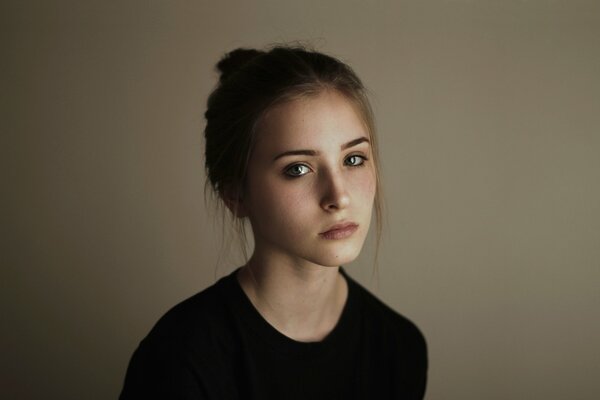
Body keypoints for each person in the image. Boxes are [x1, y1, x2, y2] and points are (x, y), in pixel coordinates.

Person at [119, 45, 428, 399]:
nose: (339, 197)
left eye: (354, 159)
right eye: (297, 168)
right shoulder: (181, 357)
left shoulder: (400, 348)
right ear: (235, 194)